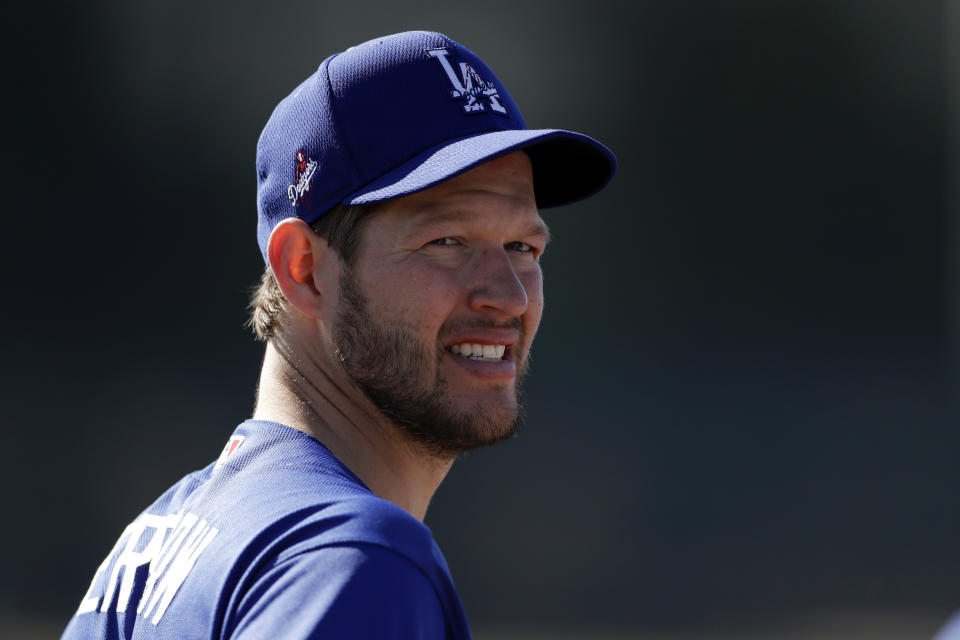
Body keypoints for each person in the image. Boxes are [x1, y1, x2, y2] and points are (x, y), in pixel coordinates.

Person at [61, 30, 616, 639]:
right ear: (304, 269)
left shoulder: (153, 546)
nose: (509, 295)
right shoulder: (355, 559)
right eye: (447, 242)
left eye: (522, 247)